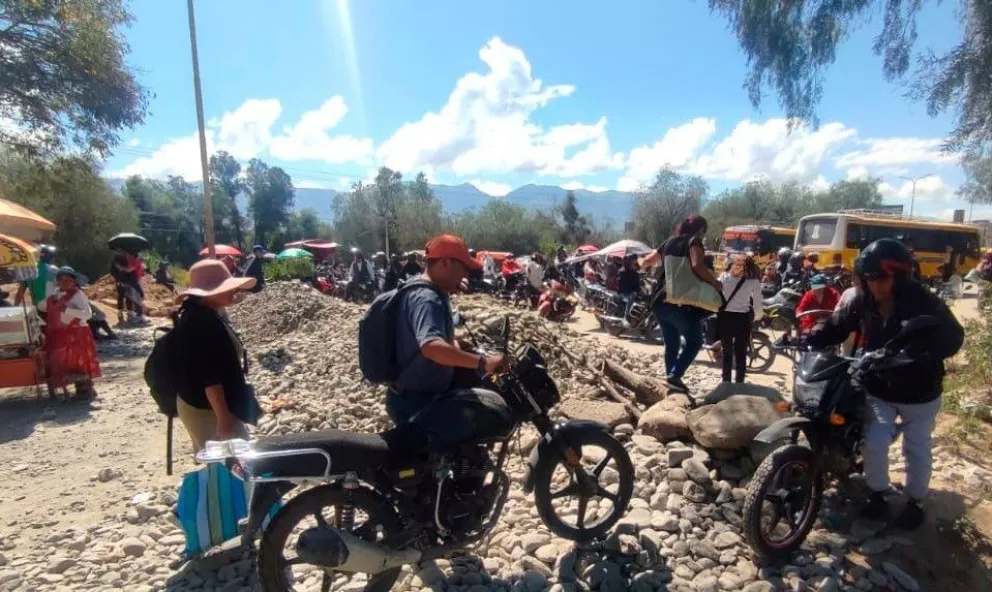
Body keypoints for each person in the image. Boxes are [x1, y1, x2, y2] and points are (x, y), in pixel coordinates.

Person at [807, 239, 963, 530]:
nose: (874, 286)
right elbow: (839, 325)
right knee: (875, 443)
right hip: (879, 386)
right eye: (868, 279)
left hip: (920, 392)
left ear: (900, 275)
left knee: (916, 448)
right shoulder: (863, 300)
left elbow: (954, 336)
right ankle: (879, 494)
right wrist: (810, 336)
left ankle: (916, 501)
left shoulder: (926, 303)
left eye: (880, 279)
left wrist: (919, 353)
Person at [386, 234, 506, 427]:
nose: (465, 275)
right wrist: (484, 362)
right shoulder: (427, 298)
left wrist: (456, 346)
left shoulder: (424, 290)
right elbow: (432, 348)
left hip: (414, 395)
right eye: (463, 268)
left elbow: (429, 340)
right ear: (445, 263)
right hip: (417, 402)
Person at [175, 259, 260, 453]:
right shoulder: (202, 323)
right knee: (234, 462)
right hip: (207, 410)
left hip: (201, 405)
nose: (234, 291)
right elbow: (210, 378)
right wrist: (224, 420)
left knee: (224, 464)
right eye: (227, 287)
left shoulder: (202, 313)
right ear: (209, 292)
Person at [638, 215, 723, 392]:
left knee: (672, 344)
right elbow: (697, 266)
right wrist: (715, 282)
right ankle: (675, 376)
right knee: (695, 340)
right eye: (703, 232)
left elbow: (646, 262)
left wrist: (637, 261)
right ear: (700, 230)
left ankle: (671, 380)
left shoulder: (668, 242)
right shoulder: (694, 242)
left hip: (660, 302)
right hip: (680, 303)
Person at [37, 267, 101, 399]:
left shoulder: (78, 294)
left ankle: (85, 389)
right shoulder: (55, 294)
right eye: (62, 280)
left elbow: (87, 314)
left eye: (68, 280)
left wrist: (67, 310)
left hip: (78, 333)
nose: (65, 283)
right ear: (58, 281)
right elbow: (41, 306)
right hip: (61, 335)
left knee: (80, 361)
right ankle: (77, 388)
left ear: (74, 281)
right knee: (67, 362)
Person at [717, 255, 763, 383]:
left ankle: (726, 383)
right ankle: (739, 384)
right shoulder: (753, 281)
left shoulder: (724, 277)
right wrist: (757, 317)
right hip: (742, 320)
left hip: (725, 318)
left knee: (727, 353)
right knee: (741, 354)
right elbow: (758, 305)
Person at [617, 254, 641, 320]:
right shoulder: (624, 272)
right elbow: (631, 285)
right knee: (633, 295)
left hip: (626, 292)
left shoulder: (631, 271)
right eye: (633, 261)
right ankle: (626, 315)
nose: (634, 262)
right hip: (624, 293)